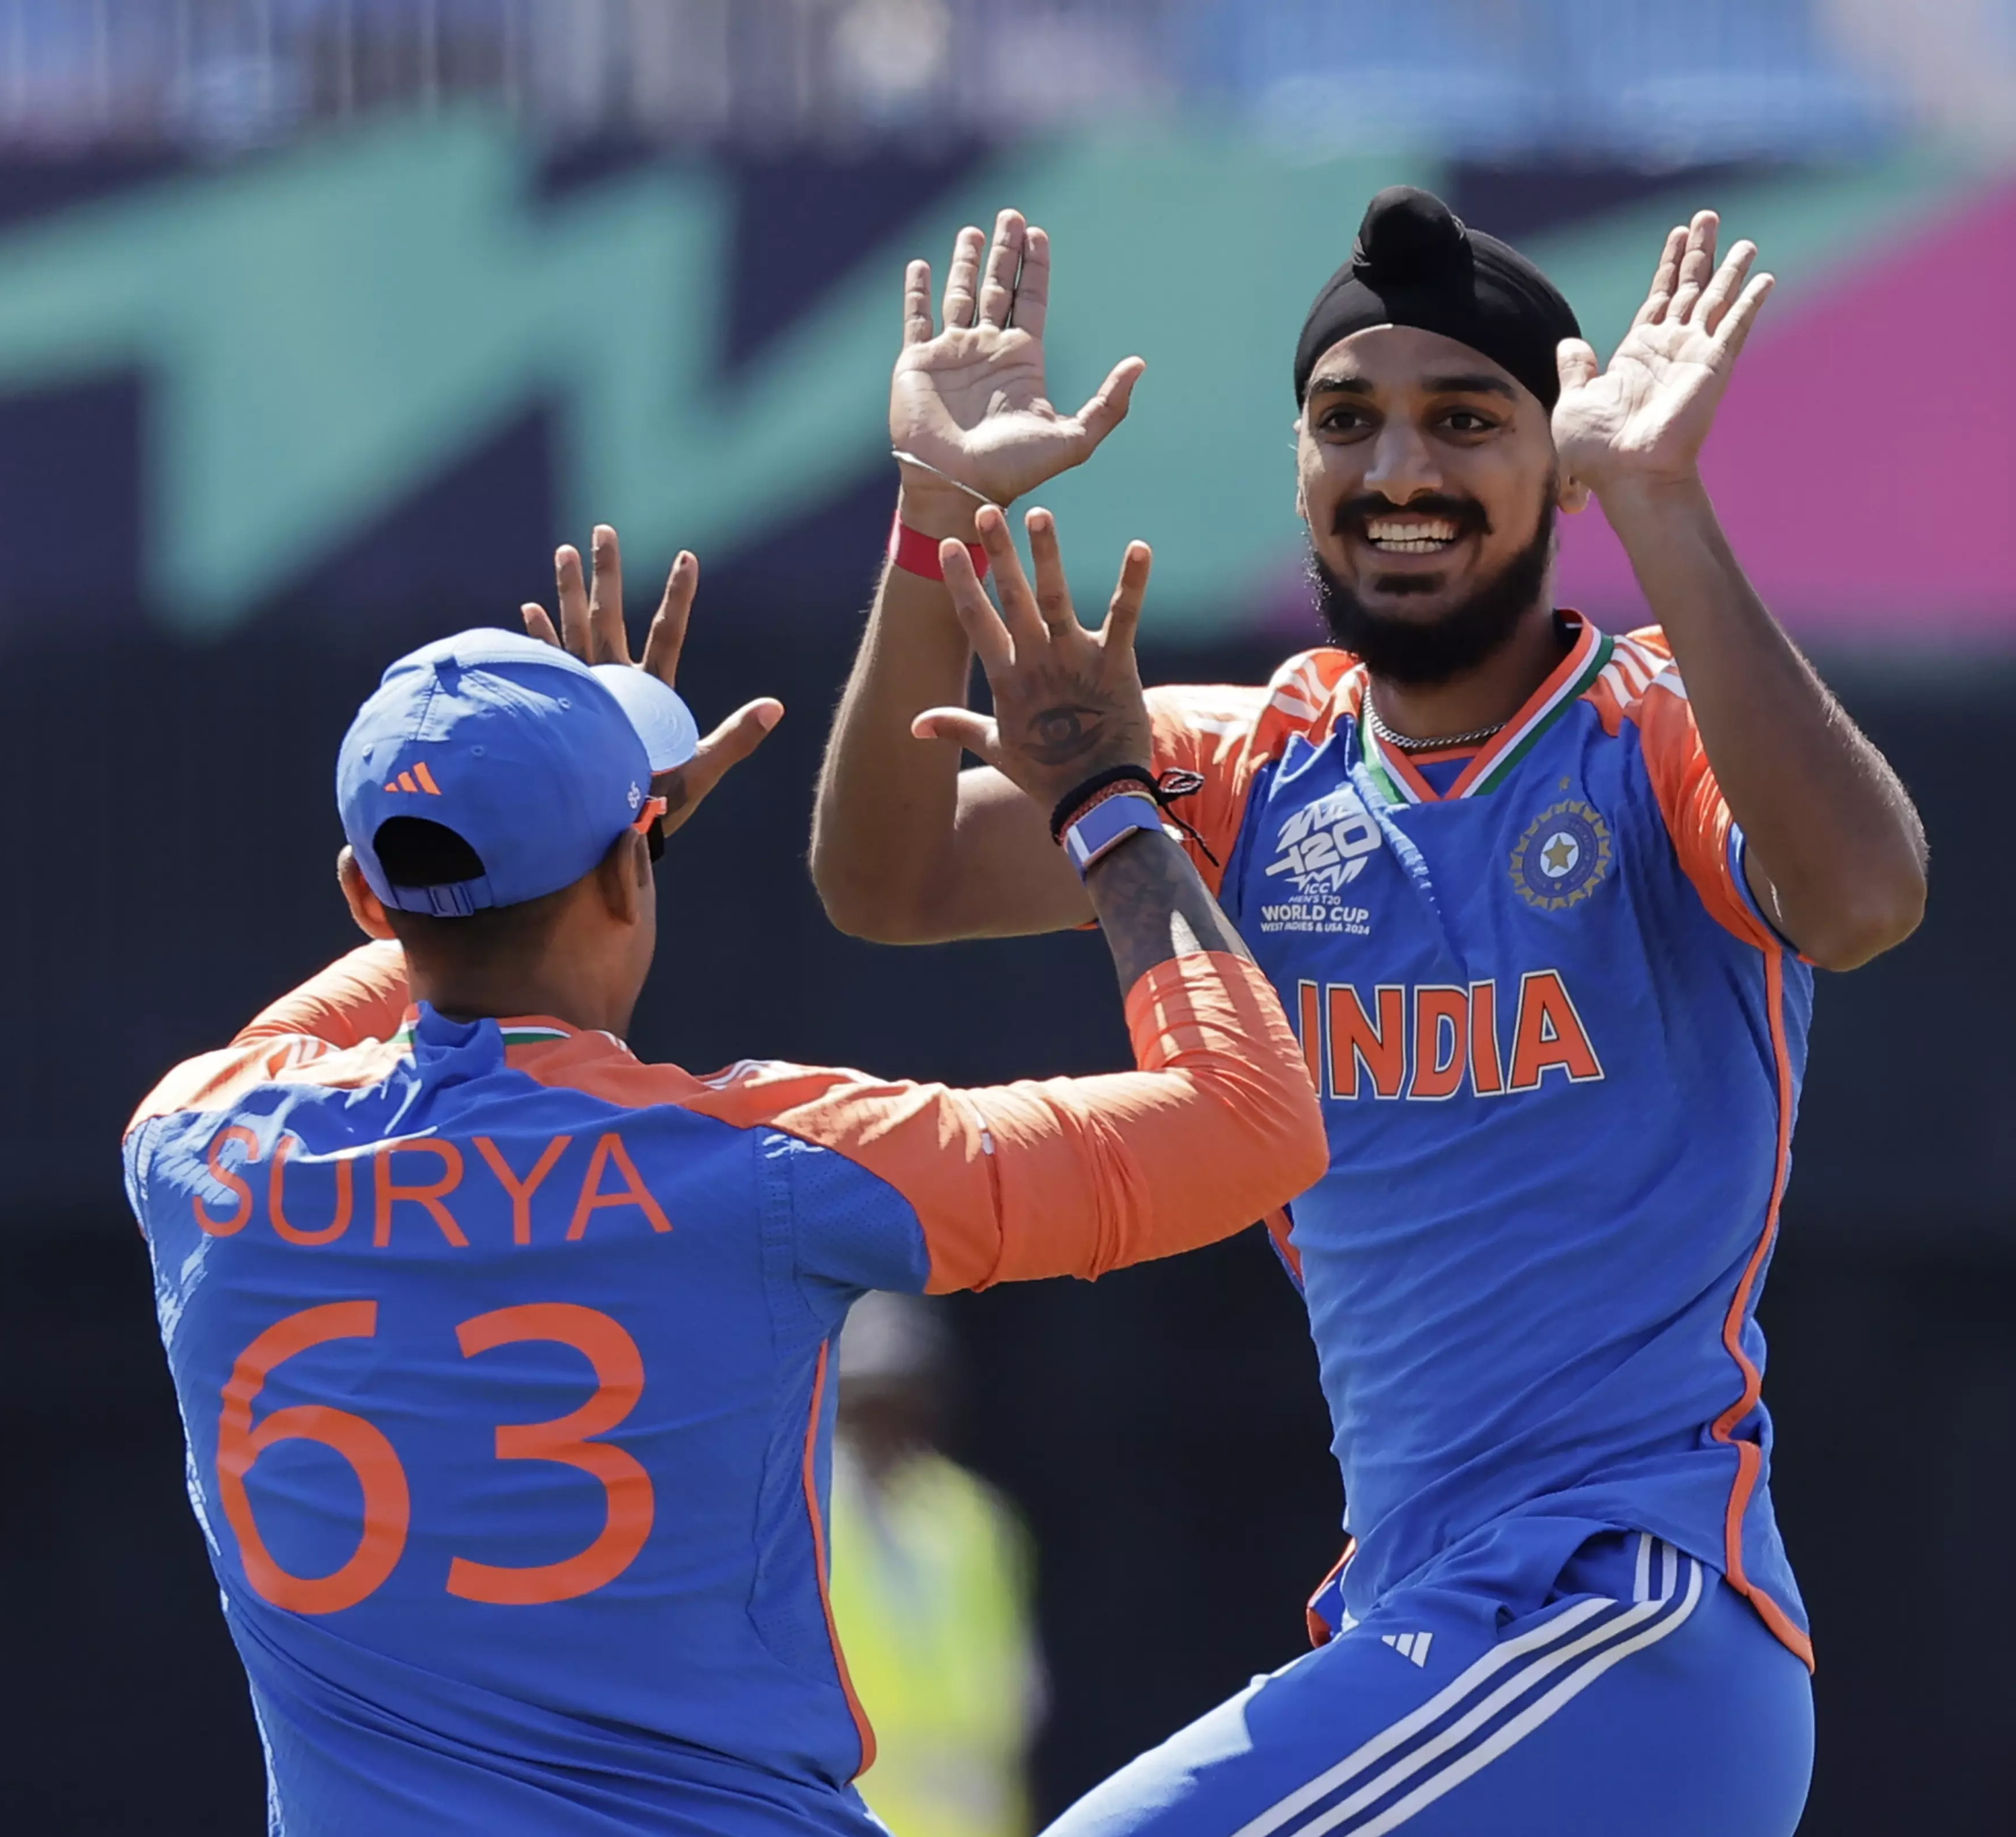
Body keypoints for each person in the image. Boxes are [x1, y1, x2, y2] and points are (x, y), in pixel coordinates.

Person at [810, 188, 1929, 1832]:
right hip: (1432, 1620)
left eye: (1465, 420)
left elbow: (1864, 897)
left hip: (1617, 1620)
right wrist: (934, 520)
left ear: (1557, 463)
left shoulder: (1650, 737)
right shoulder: (1258, 762)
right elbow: (887, 883)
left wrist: (1664, 501)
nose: (1399, 471)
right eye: (1348, 422)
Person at [122, 530, 1326, 1834]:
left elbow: (401, 986)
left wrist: (589, 834)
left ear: (362, 892)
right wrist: (1109, 805)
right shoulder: (762, 1164)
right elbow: (1248, 1124)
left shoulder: (196, 1149)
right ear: (632, 869)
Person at [830, 1291, 1043, 1837]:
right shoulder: (799, 1514)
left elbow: (1016, 1688)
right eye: (868, 1398)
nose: (886, 1419)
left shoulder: (972, 1516)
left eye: (902, 1395)